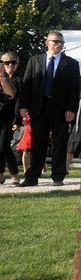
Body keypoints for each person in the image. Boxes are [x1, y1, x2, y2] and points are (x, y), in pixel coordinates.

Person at [18, 31, 81, 187]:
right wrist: (23, 106)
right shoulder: (35, 61)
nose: (59, 44)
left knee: (60, 142)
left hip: (61, 110)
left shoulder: (71, 64)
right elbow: (27, 85)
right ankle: (32, 177)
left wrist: (72, 109)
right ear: (46, 42)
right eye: (55, 41)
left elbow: (74, 89)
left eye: (61, 42)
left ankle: (58, 176)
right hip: (39, 108)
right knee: (38, 143)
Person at [0, 52, 22, 185]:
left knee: (3, 146)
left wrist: (17, 120)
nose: (10, 65)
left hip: (9, 118)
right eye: (6, 63)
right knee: (3, 147)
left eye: (13, 62)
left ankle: (14, 174)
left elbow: (17, 99)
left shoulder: (18, 80)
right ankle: (2, 175)